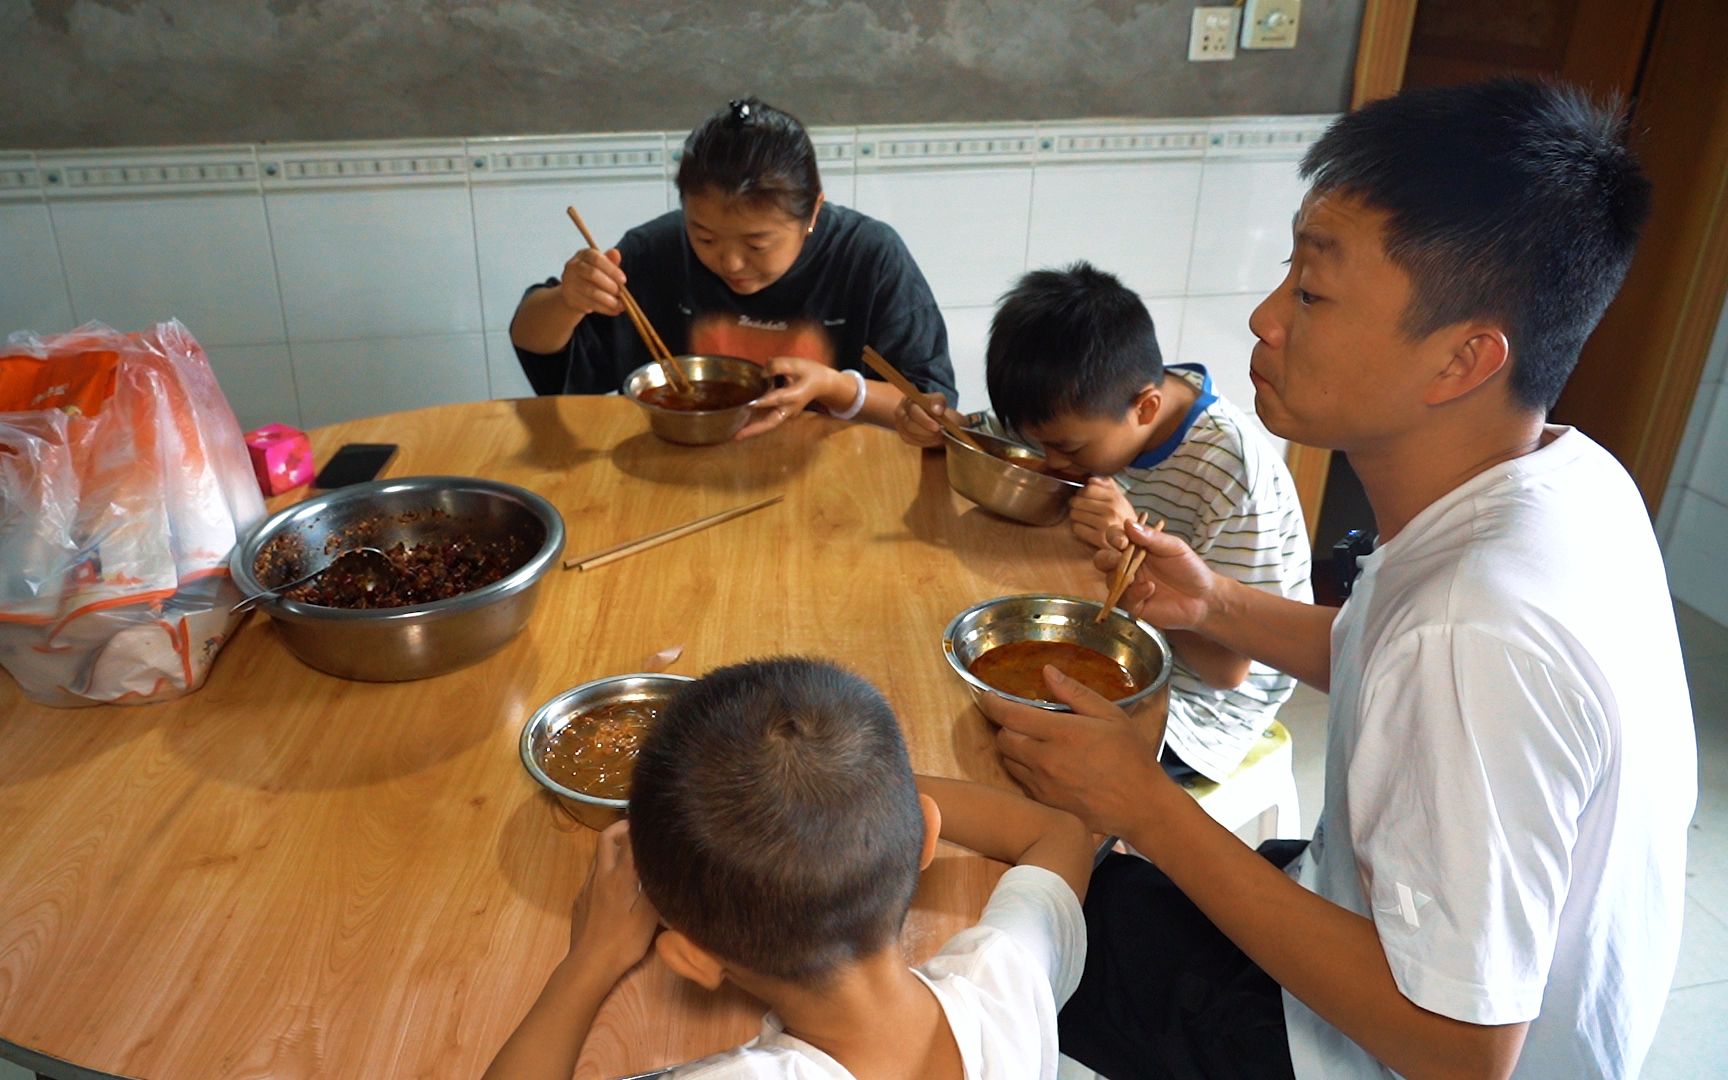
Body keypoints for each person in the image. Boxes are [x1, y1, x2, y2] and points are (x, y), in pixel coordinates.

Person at [988, 78, 1696, 1080]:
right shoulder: (1564, 478)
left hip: (1362, 1047)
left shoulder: (1477, 633)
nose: (1268, 318)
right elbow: (1391, 652)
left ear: (1461, 360)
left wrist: (1144, 805)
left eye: (1313, 293)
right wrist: (1217, 604)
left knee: (1001, 919)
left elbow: (1462, 1050)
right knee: (1048, 863)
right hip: (1375, 927)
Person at [483, 656, 1092, 1079]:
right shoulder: (1010, 983)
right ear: (926, 834)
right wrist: (850, 792)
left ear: (690, 957)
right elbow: (1057, 834)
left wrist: (589, 960)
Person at [898, 262, 1311, 783]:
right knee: (938, 674)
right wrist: (948, 431)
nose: (1048, 460)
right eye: (1039, 442)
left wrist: (1138, 550)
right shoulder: (1084, 402)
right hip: (1111, 633)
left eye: (1066, 449)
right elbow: (996, 437)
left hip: (1198, 707)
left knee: (1002, 757)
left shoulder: (1228, 472)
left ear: (1146, 408)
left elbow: (1227, 672)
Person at [510, 97, 956, 440]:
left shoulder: (868, 257)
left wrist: (834, 387)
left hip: (835, 491)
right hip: (680, 475)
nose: (731, 262)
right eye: (704, 236)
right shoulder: (658, 251)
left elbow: (928, 409)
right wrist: (567, 301)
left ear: (813, 211)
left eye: (757, 243)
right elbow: (541, 351)